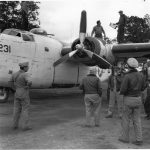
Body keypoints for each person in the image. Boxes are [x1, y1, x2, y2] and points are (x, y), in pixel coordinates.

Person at [119, 58, 145, 146]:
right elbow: (143, 87)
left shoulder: (127, 76)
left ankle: (125, 138)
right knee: (137, 120)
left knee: (126, 119)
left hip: (128, 99)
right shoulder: (141, 75)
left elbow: (122, 90)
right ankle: (139, 139)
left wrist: (122, 92)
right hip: (138, 99)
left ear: (128, 66)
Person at [9, 62, 32, 131]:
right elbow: (30, 81)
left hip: (17, 92)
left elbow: (10, 82)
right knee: (25, 109)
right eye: (27, 67)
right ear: (24, 67)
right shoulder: (25, 74)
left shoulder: (15, 74)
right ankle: (25, 126)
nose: (28, 68)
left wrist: (14, 88)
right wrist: (28, 86)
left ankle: (14, 125)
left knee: (16, 109)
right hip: (24, 92)